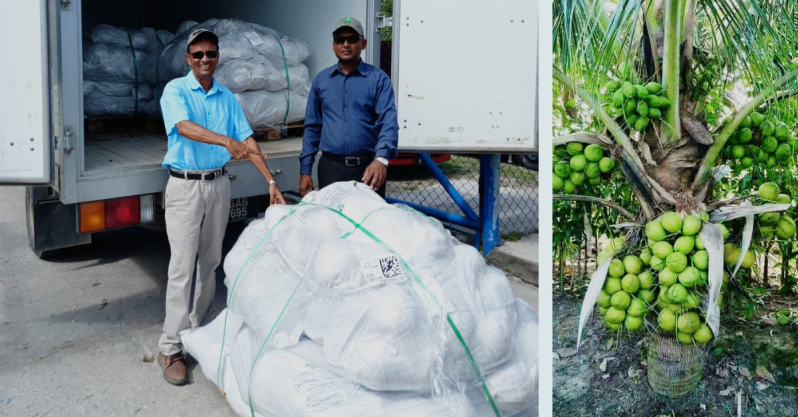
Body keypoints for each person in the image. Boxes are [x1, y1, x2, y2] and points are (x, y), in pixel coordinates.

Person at [157, 29, 286, 385]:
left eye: (210, 53)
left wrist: (271, 181)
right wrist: (223, 140)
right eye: (197, 54)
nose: (204, 59)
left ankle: (195, 332)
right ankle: (170, 347)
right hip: (185, 187)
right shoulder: (176, 91)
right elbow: (183, 127)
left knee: (211, 262)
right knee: (182, 268)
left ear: (218, 57)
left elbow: (247, 139)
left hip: (217, 185)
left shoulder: (227, 97)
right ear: (188, 58)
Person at [298, 17, 399, 198]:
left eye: (352, 39)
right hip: (331, 169)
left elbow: (388, 123)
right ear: (334, 45)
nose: (345, 44)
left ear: (363, 43)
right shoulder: (321, 81)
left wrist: (381, 160)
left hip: (369, 169)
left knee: (368, 223)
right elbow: (313, 126)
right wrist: (305, 170)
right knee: (332, 223)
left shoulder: (378, 79)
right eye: (340, 39)